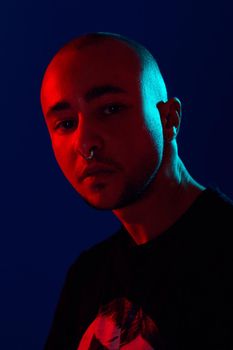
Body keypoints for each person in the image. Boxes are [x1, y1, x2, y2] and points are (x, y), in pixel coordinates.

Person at [40, 32, 233, 349]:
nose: (86, 143)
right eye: (65, 123)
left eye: (111, 109)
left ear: (169, 118)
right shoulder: (86, 279)